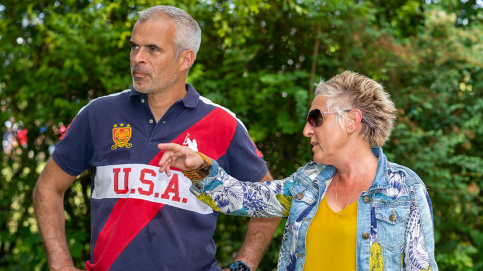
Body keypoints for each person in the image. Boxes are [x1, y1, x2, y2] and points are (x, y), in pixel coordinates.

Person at [33, 5, 280, 271]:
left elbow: (270, 200)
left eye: (152, 49)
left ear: (186, 59)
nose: (138, 58)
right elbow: (47, 188)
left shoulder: (222, 123)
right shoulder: (98, 114)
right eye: (134, 46)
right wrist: (60, 265)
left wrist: (244, 265)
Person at [158, 71, 439, 271]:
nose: (307, 130)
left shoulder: (405, 189)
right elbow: (245, 198)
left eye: (315, 118)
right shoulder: (309, 181)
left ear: (352, 121)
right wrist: (200, 168)